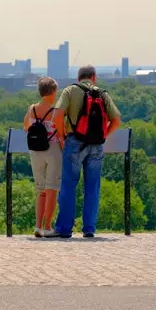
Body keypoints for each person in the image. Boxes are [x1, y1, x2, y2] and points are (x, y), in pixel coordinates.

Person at [47, 65, 122, 238]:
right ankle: (89, 228)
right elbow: (116, 121)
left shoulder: (70, 90)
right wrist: (103, 135)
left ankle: (64, 228)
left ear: (79, 77)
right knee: (92, 187)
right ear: (94, 77)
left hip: (74, 143)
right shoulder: (102, 93)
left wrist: (62, 136)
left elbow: (57, 115)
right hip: (96, 145)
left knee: (68, 186)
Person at [23, 77, 64, 237]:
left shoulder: (31, 109)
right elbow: (61, 134)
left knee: (41, 191)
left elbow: (26, 127)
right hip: (52, 150)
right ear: (53, 92)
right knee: (52, 189)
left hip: (35, 151)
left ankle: (38, 226)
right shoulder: (56, 112)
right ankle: (48, 226)